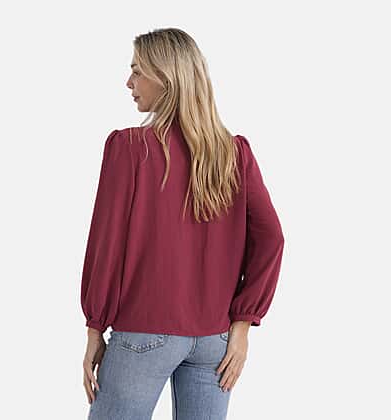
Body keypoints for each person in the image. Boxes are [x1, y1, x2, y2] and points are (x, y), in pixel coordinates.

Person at [80, 28, 285, 420]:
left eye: (137, 71)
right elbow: (272, 239)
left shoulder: (129, 148)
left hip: (143, 330)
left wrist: (94, 326)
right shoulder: (233, 153)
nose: (128, 82)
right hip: (214, 340)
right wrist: (242, 324)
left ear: (165, 78)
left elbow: (107, 245)